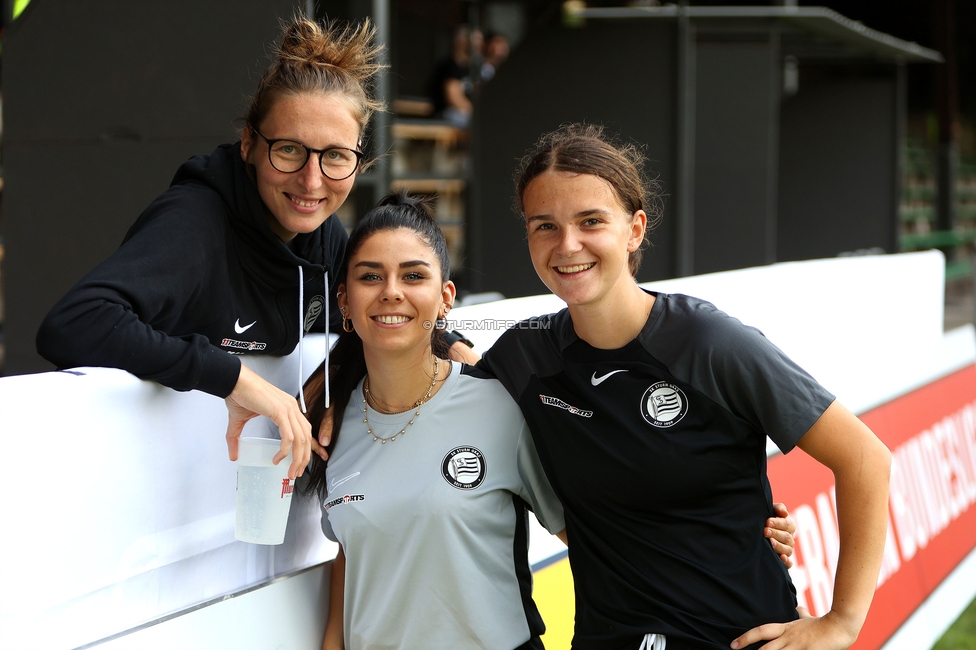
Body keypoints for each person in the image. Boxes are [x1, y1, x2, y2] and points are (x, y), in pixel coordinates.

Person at [303, 192, 798, 650]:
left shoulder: (501, 405)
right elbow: (355, 555)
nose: (391, 292)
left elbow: (607, 530)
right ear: (344, 299)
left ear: (446, 297)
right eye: (370, 276)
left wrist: (733, 536)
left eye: (413, 276)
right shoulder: (330, 426)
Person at [473, 124, 891, 650]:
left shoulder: (709, 342)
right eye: (545, 226)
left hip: (740, 636)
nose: (567, 245)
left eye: (591, 221)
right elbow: (437, 374)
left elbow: (865, 459)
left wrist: (842, 621)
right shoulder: (524, 355)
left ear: (635, 229)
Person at [34, 16, 385, 480]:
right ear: (249, 145)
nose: (312, 180)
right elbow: (72, 324)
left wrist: (333, 379)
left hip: (231, 495)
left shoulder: (321, 237)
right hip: (126, 484)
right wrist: (232, 379)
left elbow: (369, 318)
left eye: (335, 155)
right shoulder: (195, 223)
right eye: (289, 150)